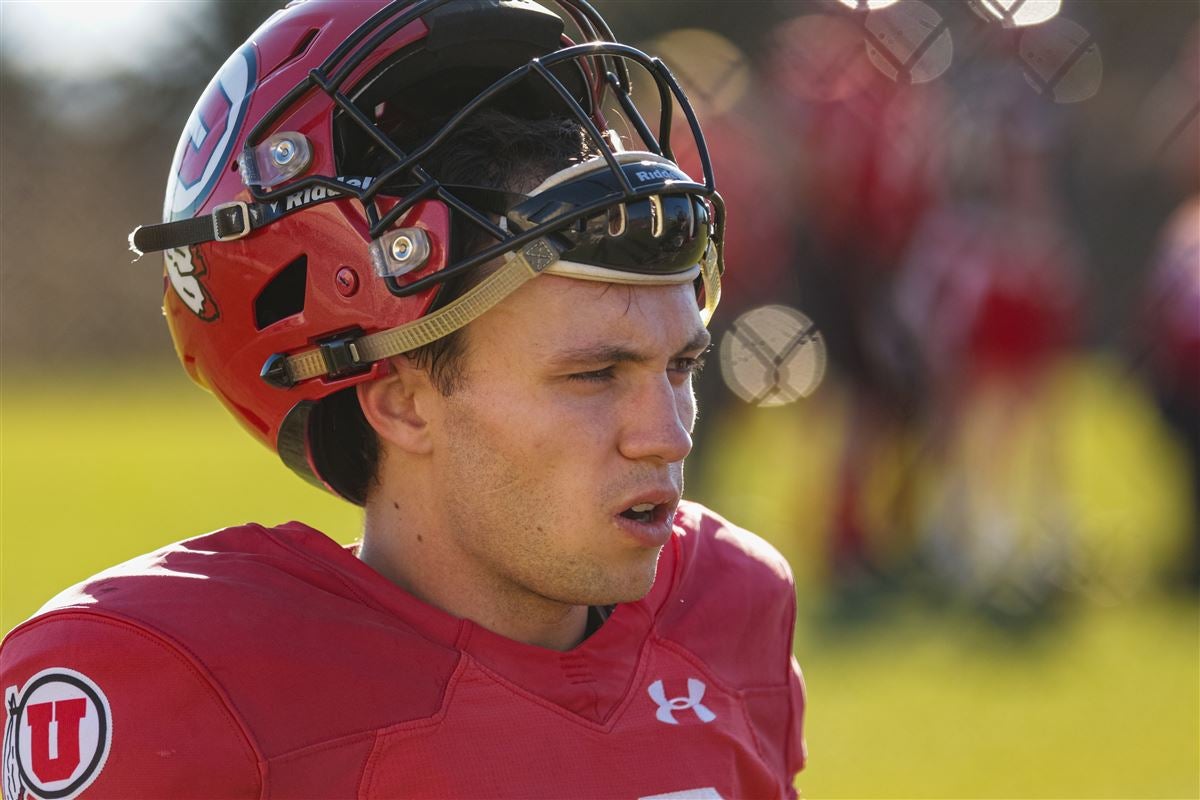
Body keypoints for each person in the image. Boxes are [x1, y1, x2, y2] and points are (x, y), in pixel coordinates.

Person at [1, 1, 806, 797]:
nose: (668, 438)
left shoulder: (726, 605)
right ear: (400, 404)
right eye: (593, 376)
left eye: (681, 366)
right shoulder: (176, 686)